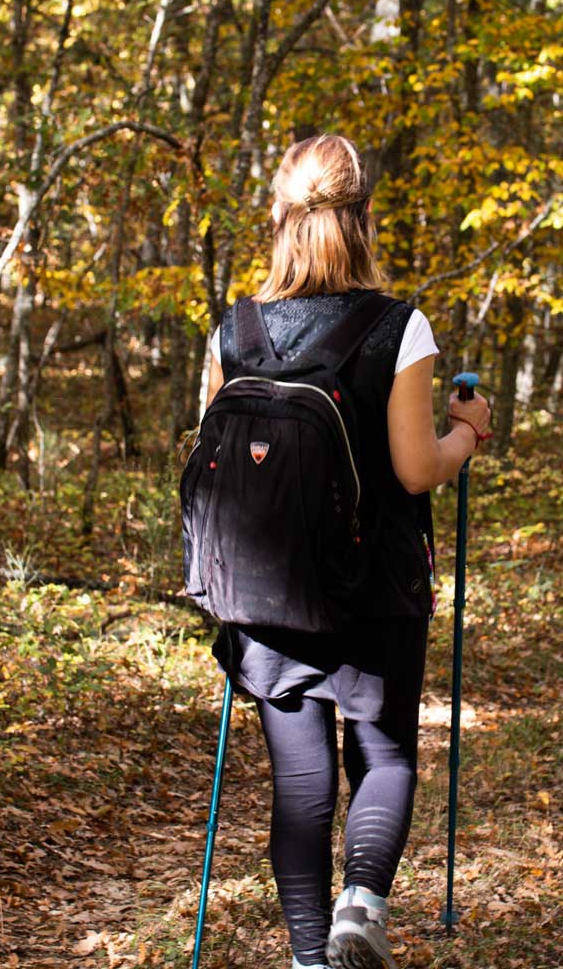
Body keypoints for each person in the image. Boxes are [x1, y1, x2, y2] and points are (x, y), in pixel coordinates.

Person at [200, 134, 493, 969]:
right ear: (364, 216)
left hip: (264, 597)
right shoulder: (398, 327)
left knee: (300, 788)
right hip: (374, 589)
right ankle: (361, 902)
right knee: (384, 751)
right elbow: (413, 468)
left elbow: (213, 462)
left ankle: (307, 962)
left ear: (278, 216)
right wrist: (465, 434)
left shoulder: (235, 330)